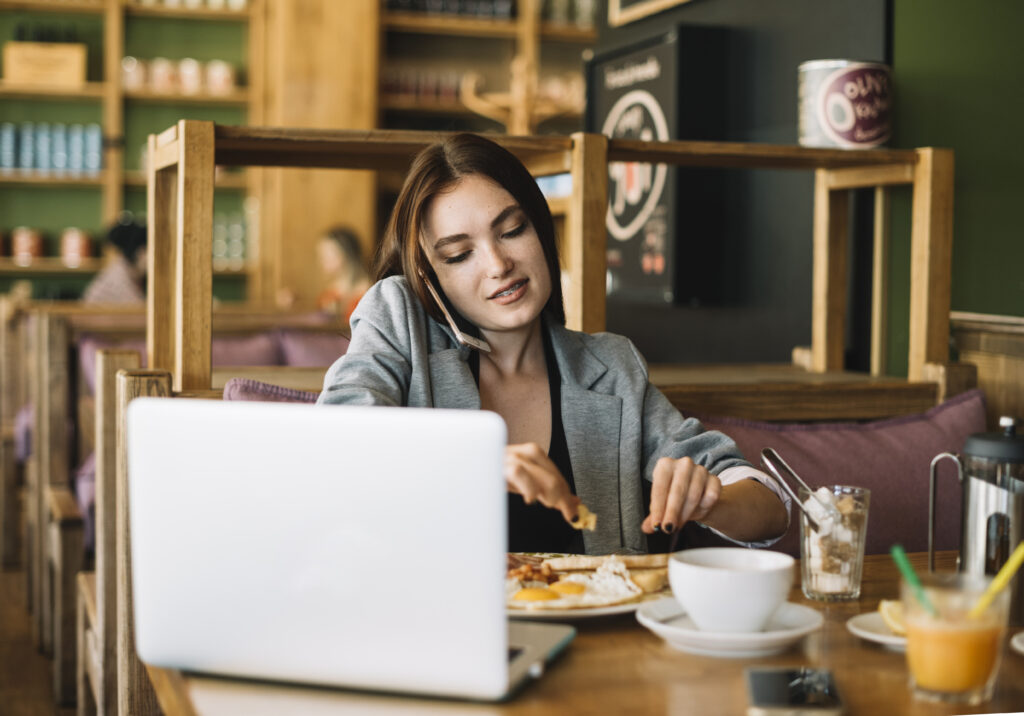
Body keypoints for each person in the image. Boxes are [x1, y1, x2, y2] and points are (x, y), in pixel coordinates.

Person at [318, 133, 789, 554]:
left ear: (541, 230)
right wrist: (474, 463)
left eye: (512, 230)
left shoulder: (610, 365)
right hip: (435, 630)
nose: (499, 264)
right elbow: (337, 444)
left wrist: (711, 500)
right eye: (460, 255)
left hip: (596, 639)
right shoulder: (400, 319)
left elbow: (769, 509)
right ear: (430, 274)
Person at [82, 214, 146, 304]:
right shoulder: (118, 277)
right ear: (138, 252)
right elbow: (141, 313)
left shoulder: (131, 274)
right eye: (146, 251)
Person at [315, 225, 372, 322]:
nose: (322, 260)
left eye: (327, 254)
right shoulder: (329, 295)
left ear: (346, 254)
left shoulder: (369, 292)